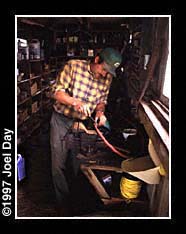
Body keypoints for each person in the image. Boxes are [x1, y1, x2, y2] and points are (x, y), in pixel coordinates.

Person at [50, 47, 122, 216]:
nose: (105, 74)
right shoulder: (73, 66)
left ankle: (75, 200)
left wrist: (100, 112)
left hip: (82, 124)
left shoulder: (107, 77)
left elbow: (102, 101)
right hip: (62, 119)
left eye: (109, 72)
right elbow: (56, 92)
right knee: (58, 164)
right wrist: (75, 102)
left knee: (78, 163)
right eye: (104, 69)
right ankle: (62, 204)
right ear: (96, 59)